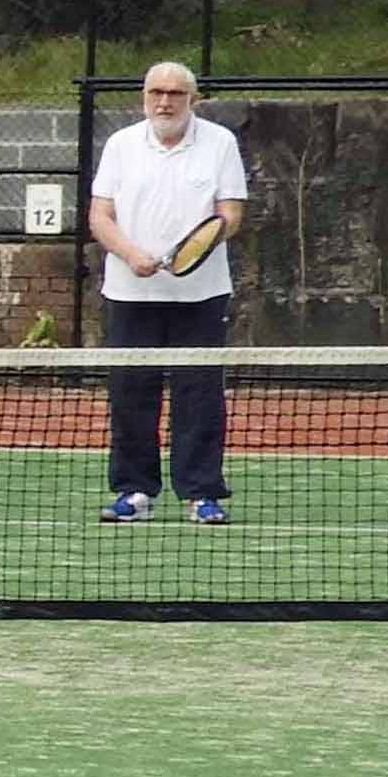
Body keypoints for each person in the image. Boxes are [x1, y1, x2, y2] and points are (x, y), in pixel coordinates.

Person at [88, 59, 248, 526]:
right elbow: (100, 216)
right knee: (130, 394)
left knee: (199, 394)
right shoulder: (120, 146)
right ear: (144, 97)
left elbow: (231, 214)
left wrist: (190, 253)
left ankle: (201, 494)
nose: (164, 101)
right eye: (156, 92)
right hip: (129, 293)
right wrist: (131, 255)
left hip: (202, 295)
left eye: (175, 94)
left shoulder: (220, 143)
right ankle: (134, 491)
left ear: (191, 99)